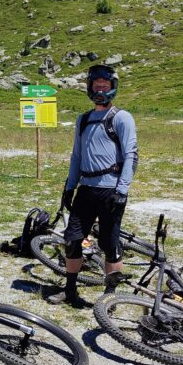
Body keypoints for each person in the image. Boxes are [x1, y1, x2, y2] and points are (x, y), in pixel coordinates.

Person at [50, 64, 138, 307]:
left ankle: (110, 297)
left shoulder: (121, 118)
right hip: (86, 189)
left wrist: (122, 190)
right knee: (72, 239)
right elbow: (77, 155)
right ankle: (70, 291)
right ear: (90, 88)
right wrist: (70, 186)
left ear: (112, 88)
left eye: (105, 85)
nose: (100, 89)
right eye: (96, 85)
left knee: (110, 243)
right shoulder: (84, 119)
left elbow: (131, 154)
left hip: (111, 190)